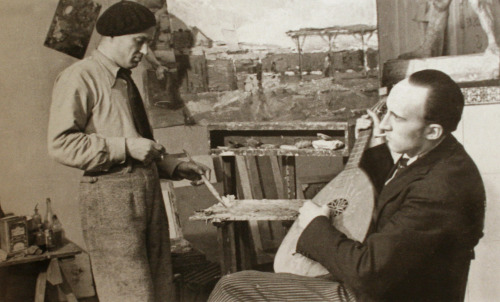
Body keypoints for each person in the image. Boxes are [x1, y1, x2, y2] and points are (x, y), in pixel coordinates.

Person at [208, 69, 485, 302]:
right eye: (386, 111)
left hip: (384, 294)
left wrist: (317, 224)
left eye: (397, 118)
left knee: (232, 288)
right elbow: (389, 196)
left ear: (433, 130)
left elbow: (367, 273)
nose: (385, 124)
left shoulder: (443, 186)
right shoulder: (435, 156)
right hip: (384, 283)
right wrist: (376, 144)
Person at [47, 2, 208, 301]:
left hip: (145, 193)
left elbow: (136, 143)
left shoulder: (124, 80)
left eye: (148, 41)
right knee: (129, 293)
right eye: (139, 41)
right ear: (111, 37)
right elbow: (61, 144)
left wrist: (171, 166)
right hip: (110, 200)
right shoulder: (80, 76)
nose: (145, 51)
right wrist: (125, 147)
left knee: (159, 288)